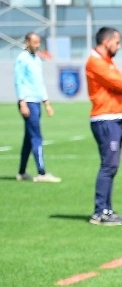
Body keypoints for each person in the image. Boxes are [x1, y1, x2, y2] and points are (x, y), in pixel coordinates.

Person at [86, 27, 122, 226]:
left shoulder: (106, 61)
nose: (119, 46)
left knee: (112, 167)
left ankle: (107, 209)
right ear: (107, 42)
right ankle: (99, 213)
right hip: (105, 119)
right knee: (108, 166)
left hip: (114, 118)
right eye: (117, 42)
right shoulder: (95, 62)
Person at [14, 32, 61, 183]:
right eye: (35, 42)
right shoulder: (22, 59)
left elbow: (39, 83)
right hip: (28, 102)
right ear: (27, 42)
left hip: (36, 102)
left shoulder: (37, 59)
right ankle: (41, 173)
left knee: (29, 138)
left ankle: (21, 173)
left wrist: (46, 102)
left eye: (38, 42)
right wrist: (22, 102)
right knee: (37, 137)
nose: (37, 45)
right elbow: (18, 81)